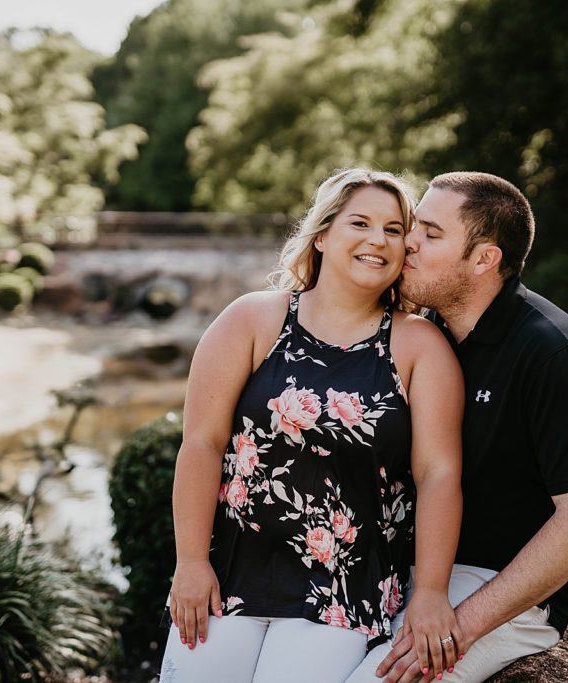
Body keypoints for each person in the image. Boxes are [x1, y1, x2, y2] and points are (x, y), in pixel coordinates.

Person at [160, 169, 466, 683]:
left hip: (346, 591)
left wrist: (431, 592)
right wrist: (190, 562)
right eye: (361, 223)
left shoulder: (419, 346)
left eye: (394, 230)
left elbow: (438, 475)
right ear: (322, 234)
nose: (377, 240)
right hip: (228, 576)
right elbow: (202, 443)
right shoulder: (253, 319)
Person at [346, 172, 568, 683]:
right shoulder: (425, 332)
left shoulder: (552, 353)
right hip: (407, 570)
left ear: (483, 259)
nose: (406, 241)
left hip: (495, 587)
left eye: (430, 234)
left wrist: (463, 625)